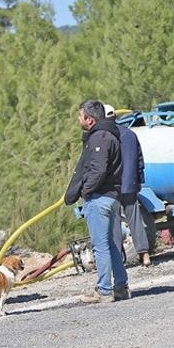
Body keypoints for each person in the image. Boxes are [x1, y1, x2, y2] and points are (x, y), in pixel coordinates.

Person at [65, 100, 130, 302]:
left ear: (89, 119)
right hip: (112, 198)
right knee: (110, 244)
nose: (78, 119)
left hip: (100, 198)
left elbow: (98, 170)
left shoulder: (99, 138)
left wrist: (86, 190)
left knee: (100, 246)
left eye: (80, 115)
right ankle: (121, 287)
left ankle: (104, 290)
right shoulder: (111, 135)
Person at [110, 105, 155, 268]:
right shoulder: (130, 134)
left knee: (113, 223)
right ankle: (145, 255)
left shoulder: (104, 136)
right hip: (130, 184)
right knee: (135, 220)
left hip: (112, 187)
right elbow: (140, 160)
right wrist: (139, 180)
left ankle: (118, 260)